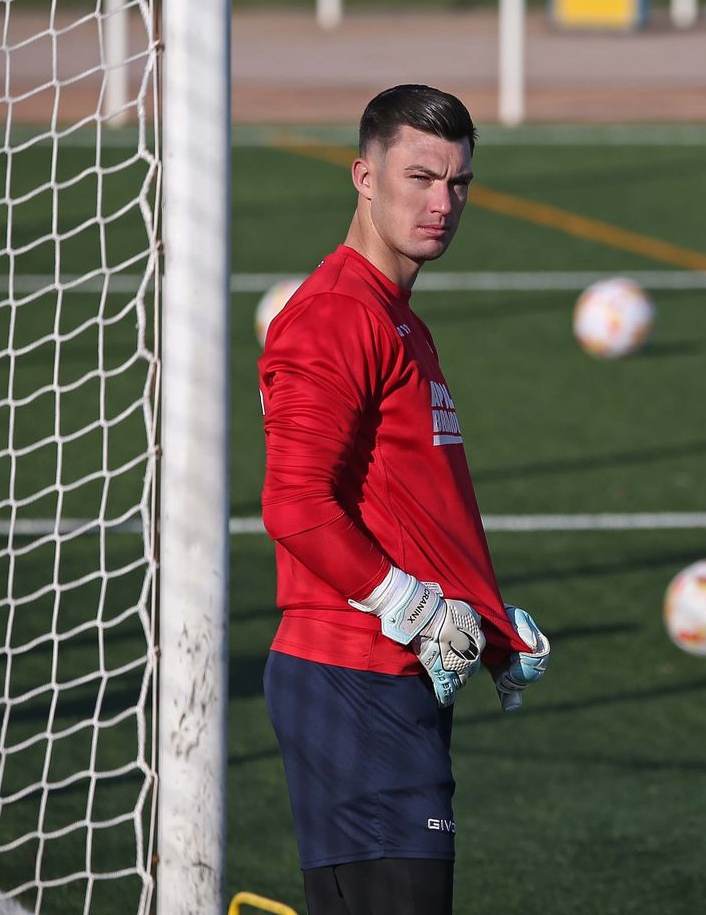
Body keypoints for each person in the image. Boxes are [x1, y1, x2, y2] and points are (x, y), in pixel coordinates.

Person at [258, 84, 550, 915]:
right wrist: (414, 608)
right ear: (362, 175)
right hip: (352, 678)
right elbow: (295, 504)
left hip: (393, 675)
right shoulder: (335, 317)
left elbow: (413, 507)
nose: (440, 203)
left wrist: (487, 622)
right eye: (419, 177)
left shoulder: (400, 319)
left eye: (458, 183)